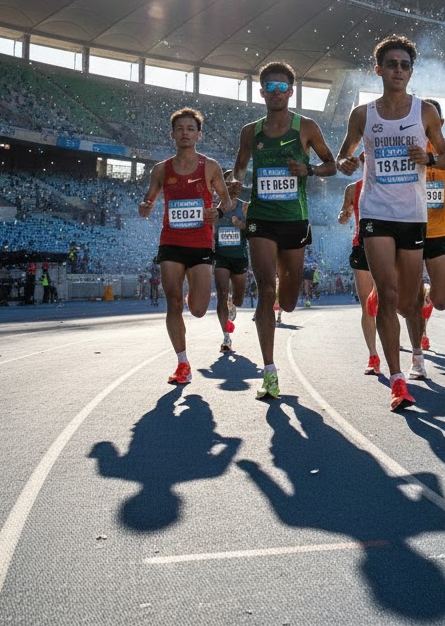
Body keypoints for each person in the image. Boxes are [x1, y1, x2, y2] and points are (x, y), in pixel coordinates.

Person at [335, 36, 445, 412]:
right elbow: (343, 157)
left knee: (409, 299)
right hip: (375, 213)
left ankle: (414, 344)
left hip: (412, 216)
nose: (398, 70)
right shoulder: (362, 114)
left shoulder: (425, 113)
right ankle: (398, 379)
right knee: (387, 295)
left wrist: (429, 157)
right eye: (391, 64)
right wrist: (348, 164)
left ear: (410, 71)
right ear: (379, 69)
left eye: (404, 65)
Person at [232, 62, 338, 401]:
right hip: (261, 216)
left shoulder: (305, 127)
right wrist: (234, 182)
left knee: (288, 302)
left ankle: (283, 290)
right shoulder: (251, 131)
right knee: (265, 288)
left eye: (282, 87)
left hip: (295, 218)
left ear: (291, 91)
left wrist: (307, 169)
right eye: (270, 87)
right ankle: (269, 371)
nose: (276, 92)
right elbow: (239, 166)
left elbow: (331, 165)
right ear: (261, 91)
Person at [139, 108, 233, 386]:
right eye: (180, 128)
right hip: (171, 241)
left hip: (200, 242)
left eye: (190, 128)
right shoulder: (161, 170)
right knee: (173, 302)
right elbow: (148, 204)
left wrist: (218, 212)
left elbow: (226, 202)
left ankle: (197, 292)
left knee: (199, 309)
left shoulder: (211, 166)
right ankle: (182, 362)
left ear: (198, 134)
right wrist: (144, 208)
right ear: (172, 134)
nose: (185, 133)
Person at [405, 99, 445, 375]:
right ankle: (417, 357)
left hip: (440, 230)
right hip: (410, 228)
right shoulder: (409, 146)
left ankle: (428, 296)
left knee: (441, 301)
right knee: (410, 299)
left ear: (440, 123)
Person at [337, 157, 380, 375]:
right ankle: (373, 355)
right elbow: (343, 215)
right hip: (361, 247)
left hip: (386, 248)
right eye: (366, 159)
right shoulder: (353, 189)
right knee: (367, 306)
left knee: (389, 302)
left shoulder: (388, 184)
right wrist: (343, 216)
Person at [212, 170, 248, 353]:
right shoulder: (214, 207)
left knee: (239, 298)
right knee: (221, 294)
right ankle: (226, 337)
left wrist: (242, 225)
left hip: (239, 256)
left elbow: (253, 230)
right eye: (227, 182)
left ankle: (233, 302)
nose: (231, 185)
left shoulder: (244, 207)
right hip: (221, 256)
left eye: (234, 182)